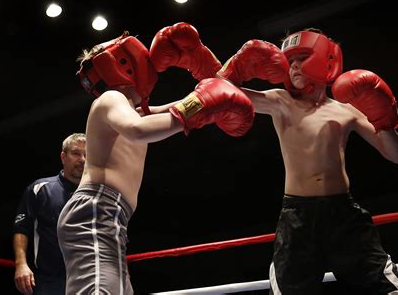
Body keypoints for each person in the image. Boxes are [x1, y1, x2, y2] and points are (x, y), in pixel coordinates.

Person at [57, 25, 254, 294]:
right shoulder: (112, 99)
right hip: (97, 210)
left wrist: (218, 84)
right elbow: (141, 131)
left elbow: (177, 110)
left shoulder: (132, 110)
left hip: (107, 215)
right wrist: (201, 103)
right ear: (125, 64)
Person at [217, 29, 398, 294]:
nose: (293, 66)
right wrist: (233, 69)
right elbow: (221, 92)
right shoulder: (281, 102)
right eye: (290, 61)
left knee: (385, 288)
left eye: (302, 58)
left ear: (324, 60)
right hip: (298, 217)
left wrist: (385, 119)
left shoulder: (346, 110)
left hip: (342, 212)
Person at [13, 133, 86, 294]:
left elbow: (110, 234)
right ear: (63, 156)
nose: (82, 159)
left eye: (87, 155)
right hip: (50, 281)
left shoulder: (97, 194)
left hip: (89, 278)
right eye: (76, 153)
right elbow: (21, 229)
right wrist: (21, 264)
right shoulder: (41, 189)